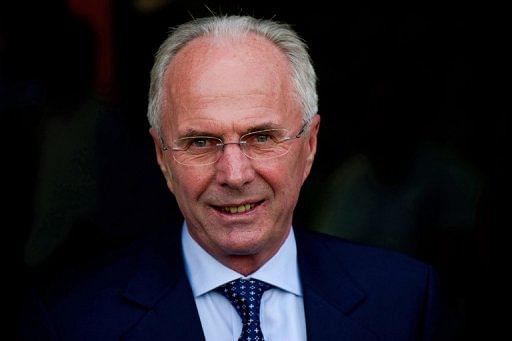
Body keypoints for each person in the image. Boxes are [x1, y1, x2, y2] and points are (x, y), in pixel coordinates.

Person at [19, 15, 446, 340]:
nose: (234, 174)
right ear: (162, 158)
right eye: (201, 142)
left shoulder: (407, 299)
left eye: (261, 137)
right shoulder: (71, 320)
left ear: (310, 144)